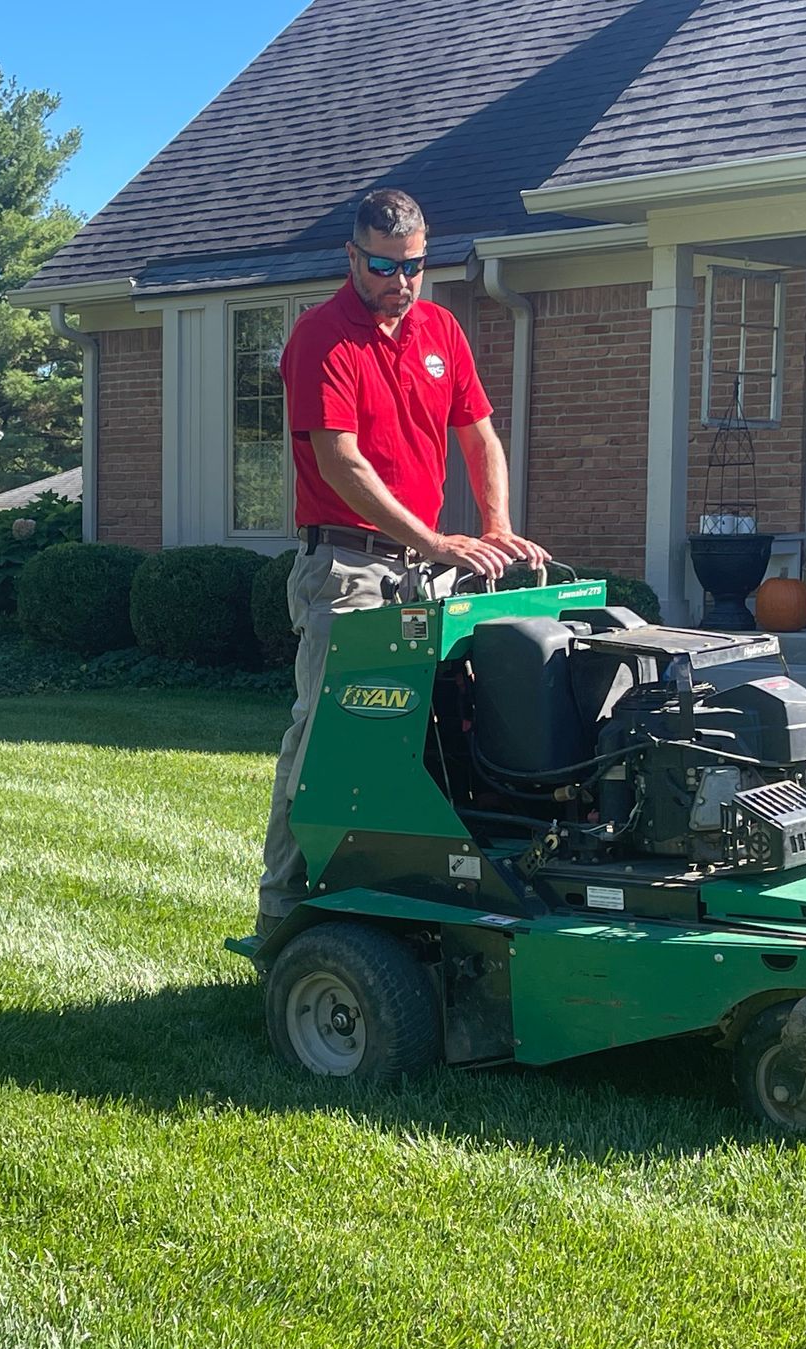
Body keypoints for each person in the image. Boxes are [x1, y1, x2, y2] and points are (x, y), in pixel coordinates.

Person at [256, 188, 550, 937]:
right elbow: (342, 463)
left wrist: (496, 527)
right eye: (384, 265)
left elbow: (479, 437)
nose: (400, 280)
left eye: (414, 265)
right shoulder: (322, 338)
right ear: (352, 256)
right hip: (349, 567)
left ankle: (419, 896)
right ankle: (284, 913)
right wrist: (436, 542)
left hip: (426, 566)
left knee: (441, 731)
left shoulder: (441, 330)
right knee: (326, 735)